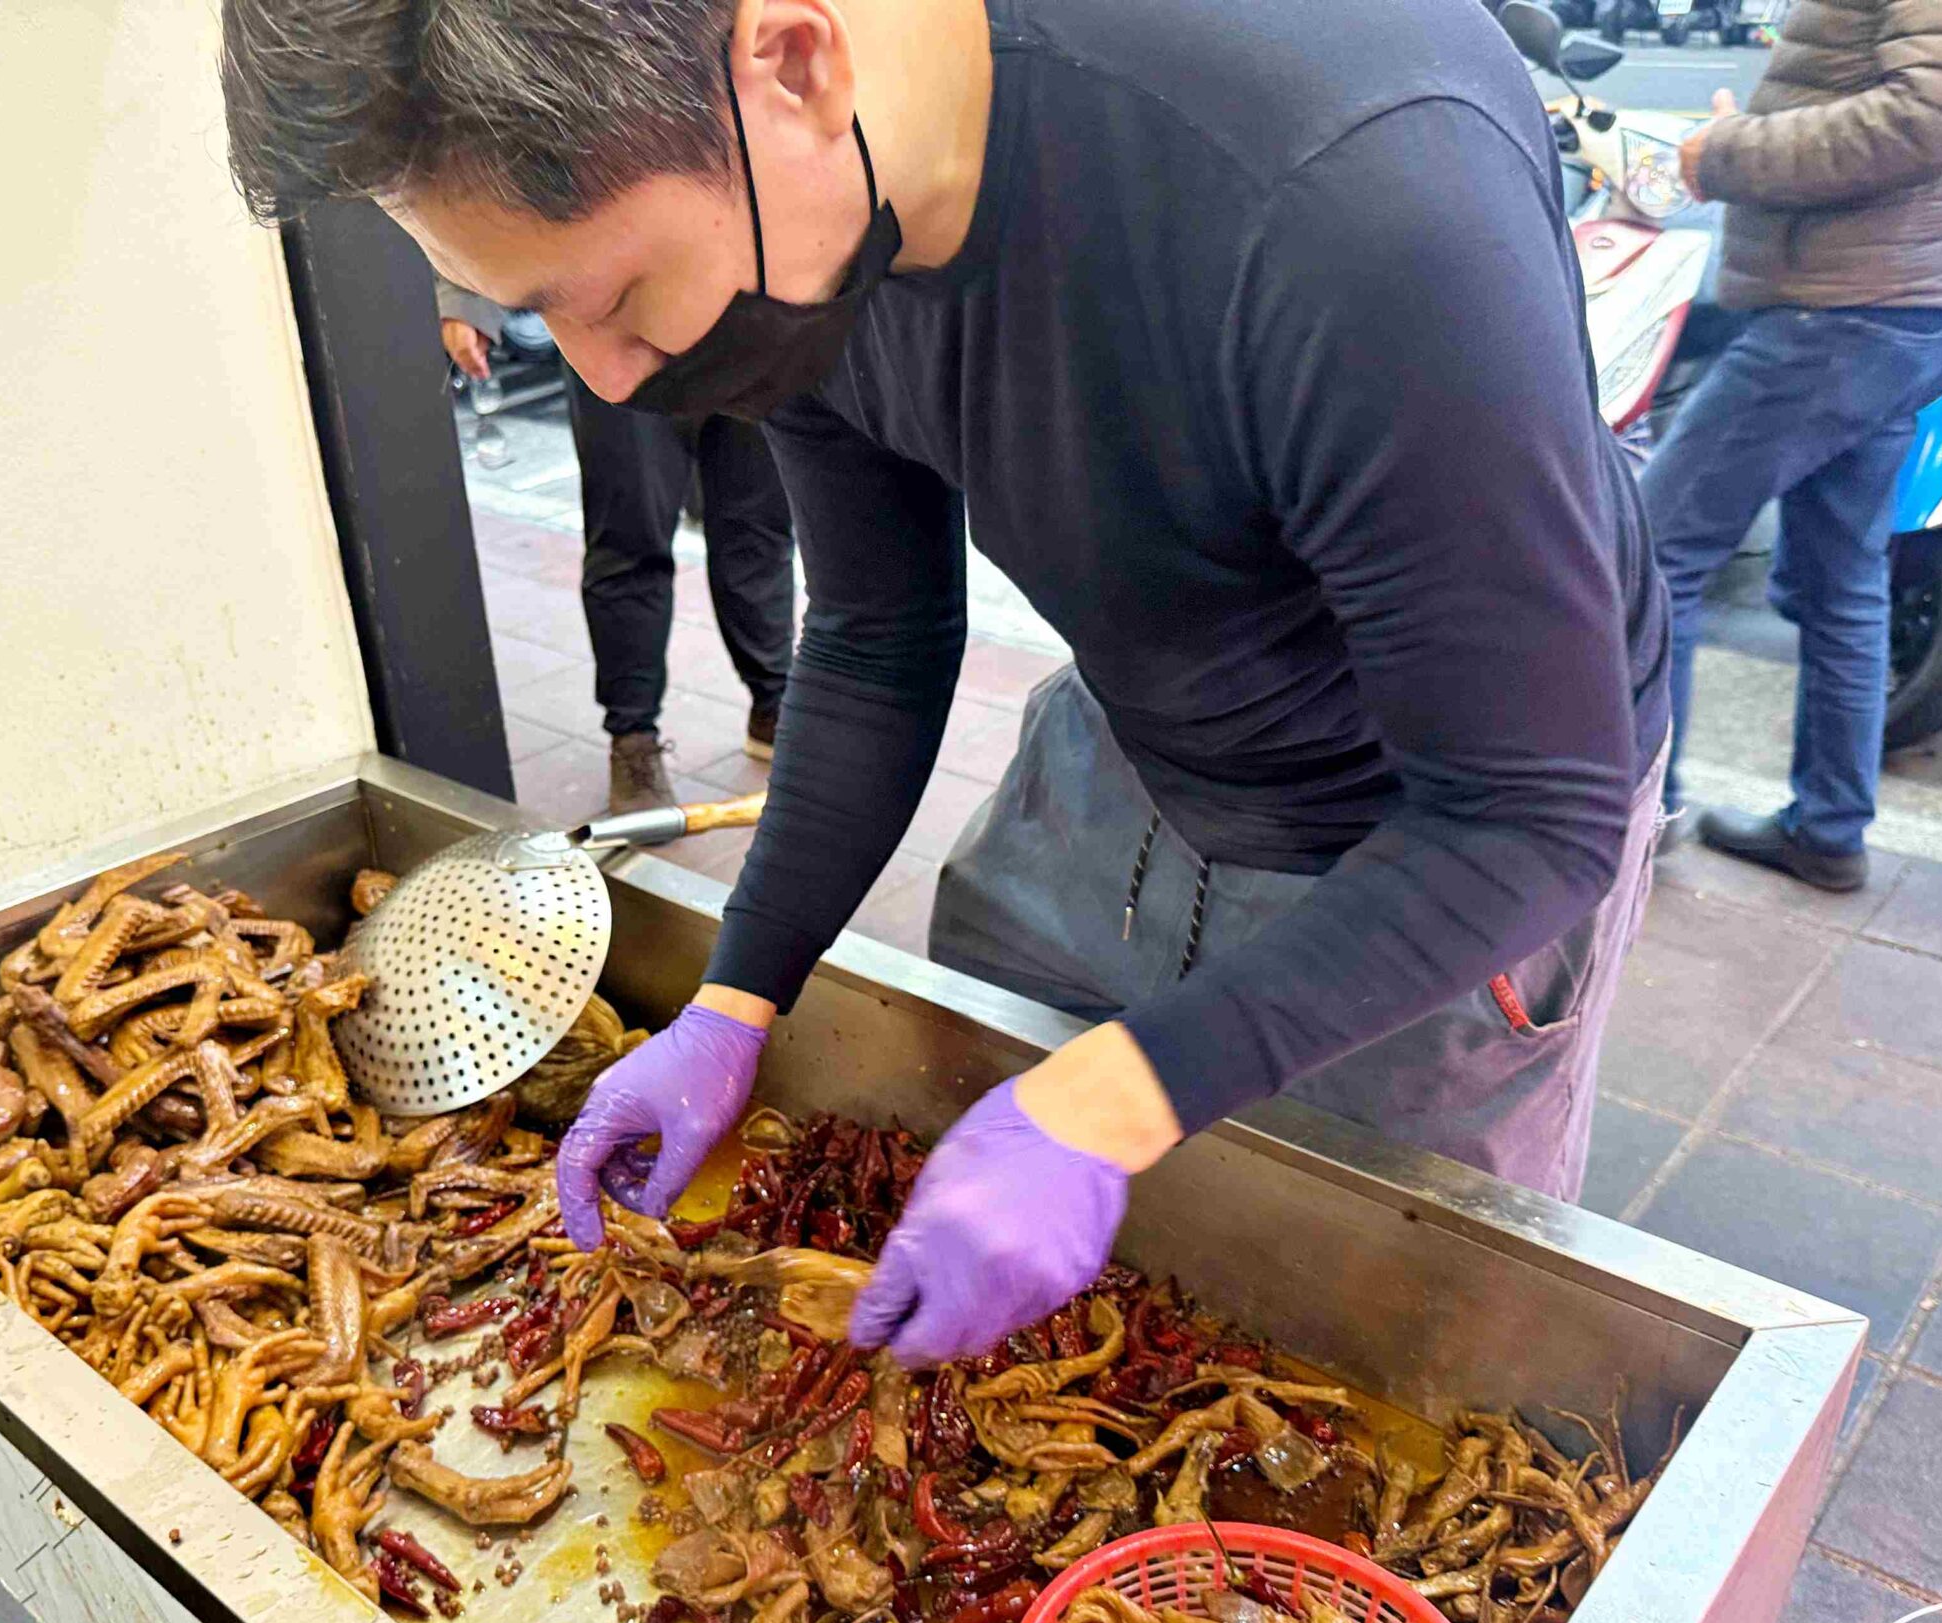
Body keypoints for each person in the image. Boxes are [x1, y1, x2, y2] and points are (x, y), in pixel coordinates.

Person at [220, 0, 1670, 1366]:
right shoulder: (798, 192)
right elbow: (875, 631)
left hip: (1444, 817)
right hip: (1139, 721)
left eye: (616, 296)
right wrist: (735, 1003)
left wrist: (1113, 1096)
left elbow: (1531, 815)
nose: (604, 382)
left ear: (792, 63)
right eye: (541, 319)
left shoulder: (1353, 191)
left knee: (1359, 1318)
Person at [1644, 0, 1942, 891]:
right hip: (1894, 300)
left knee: (1648, 556)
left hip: (1842, 313)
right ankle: (1826, 830)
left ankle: (1636, 826)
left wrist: (1727, 154)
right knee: (1843, 584)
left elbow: (1915, 118)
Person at [441, 296, 797, 813]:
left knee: (758, 531)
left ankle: (774, 702)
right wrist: (467, 303)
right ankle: (632, 738)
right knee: (628, 537)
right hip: (613, 323)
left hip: (749, 317)